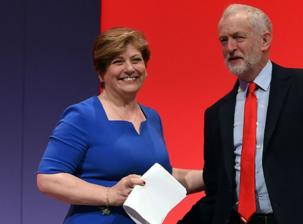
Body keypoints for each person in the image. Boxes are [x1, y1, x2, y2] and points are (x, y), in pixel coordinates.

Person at [180, 3, 303, 224]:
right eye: (223, 40)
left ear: (265, 40)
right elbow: (217, 192)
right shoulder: (216, 114)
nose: (230, 47)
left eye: (238, 37)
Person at [37, 27, 203, 224]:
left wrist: (215, 175)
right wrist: (108, 194)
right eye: (118, 62)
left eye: (136, 60)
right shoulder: (82, 116)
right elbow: (48, 178)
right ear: (101, 73)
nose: (130, 68)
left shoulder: (151, 117)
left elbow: (162, 177)